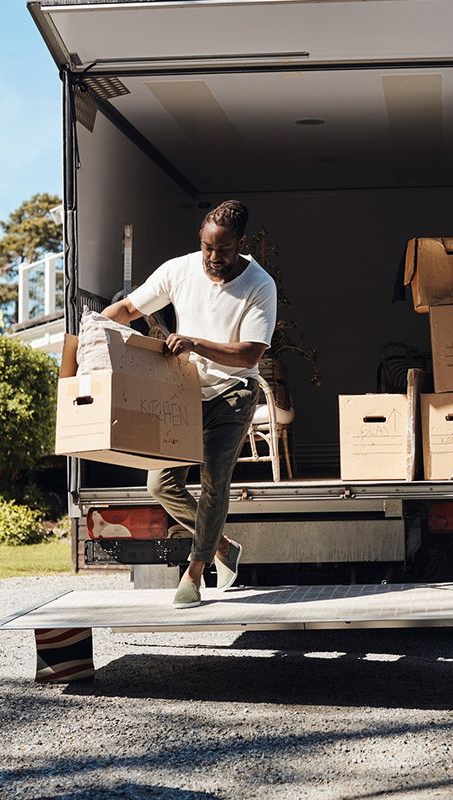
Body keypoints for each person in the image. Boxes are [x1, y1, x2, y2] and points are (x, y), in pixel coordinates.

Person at [103, 200, 277, 608]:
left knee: (216, 485)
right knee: (159, 482)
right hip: (185, 390)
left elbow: (249, 355)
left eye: (224, 250)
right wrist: (93, 332)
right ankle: (221, 547)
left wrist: (195, 342)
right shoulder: (178, 270)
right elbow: (128, 309)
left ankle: (195, 574)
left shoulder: (259, 284)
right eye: (206, 248)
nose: (213, 258)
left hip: (233, 394)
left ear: (241, 244)